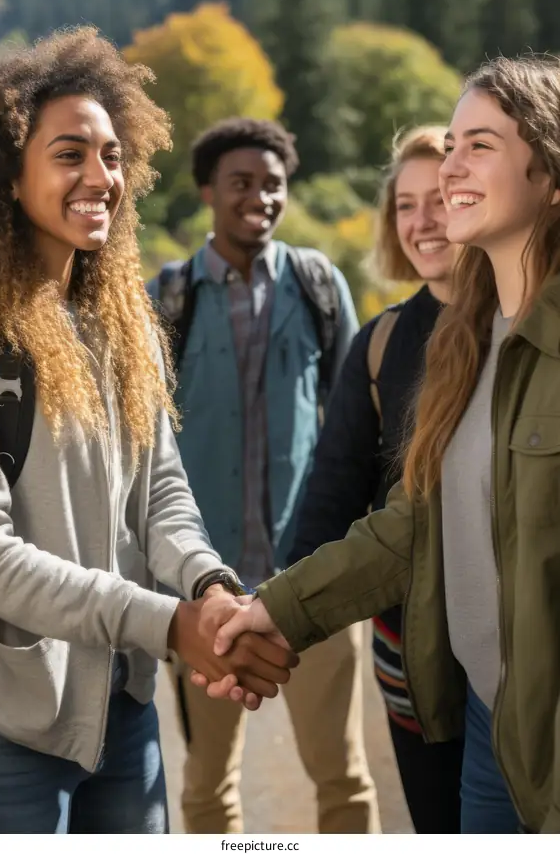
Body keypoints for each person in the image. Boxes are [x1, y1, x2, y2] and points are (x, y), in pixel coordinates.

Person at [206, 55, 560, 835]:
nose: (452, 167)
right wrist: (275, 610)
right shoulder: (466, 343)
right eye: (453, 138)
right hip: (485, 726)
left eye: (481, 146)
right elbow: (414, 524)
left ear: (552, 176)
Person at [0, 29, 296, 835]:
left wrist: (209, 588)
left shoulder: (124, 324)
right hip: (2, 727)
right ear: (9, 172)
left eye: (112, 155)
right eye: (69, 154)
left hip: (126, 714)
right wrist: (167, 622)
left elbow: (162, 496)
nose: (100, 178)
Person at [147, 117, 380, 834]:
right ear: (207, 191)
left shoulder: (317, 284)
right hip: (206, 592)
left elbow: (355, 429)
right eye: (242, 182)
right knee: (208, 786)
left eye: (273, 184)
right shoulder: (169, 299)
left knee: (343, 779)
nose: (260, 197)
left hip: (313, 582)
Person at [287, 125, 464, 833]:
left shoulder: (520, 322)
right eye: (404, 204)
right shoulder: (383, 339)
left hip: (517, 666)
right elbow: (330, 497)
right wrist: (271, 625)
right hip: (410, 668)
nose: (422, 222)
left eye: (441, 199)